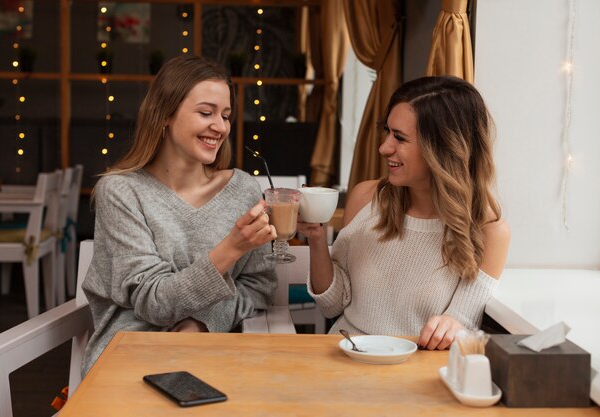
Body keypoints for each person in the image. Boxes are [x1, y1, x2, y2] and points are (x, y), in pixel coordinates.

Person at [81, 55, 278, 374]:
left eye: (226, 115)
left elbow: (259, 287)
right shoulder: (121, 192)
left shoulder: (243, 189)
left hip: (213, 359)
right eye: (206, 113)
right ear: (165, 115)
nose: (220, 126)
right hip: (130, 363)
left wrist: (203, 322)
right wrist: (231, 249)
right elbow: (152, 302)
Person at [298, 76, 510, 350]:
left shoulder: (489, 231)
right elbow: (332, 306)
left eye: (399, 137)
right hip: (346, 357)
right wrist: (316, 238)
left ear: (442, 148)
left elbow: (458, 323)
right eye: (387, 132)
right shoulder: (366, 198)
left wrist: (453, 325)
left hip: (416, 371)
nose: (384, 147)